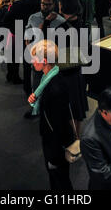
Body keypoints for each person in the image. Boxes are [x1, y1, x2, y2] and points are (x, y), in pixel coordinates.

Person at [28, 40, 74, 190]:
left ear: (45, 61)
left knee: (60, 179)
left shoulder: (54, 88)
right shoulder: (50, 78)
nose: (32, 62)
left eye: (35, 58)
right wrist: (36, 98)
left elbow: (58, 125)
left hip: (55, 145)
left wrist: (54, 154)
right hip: (53, 140)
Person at [23, 0, 66, 119]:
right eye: (43, 4)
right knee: (36, 83)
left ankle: (49, 109)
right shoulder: (33, 18)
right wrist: (30, 51)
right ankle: (35, 108)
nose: (45, 7)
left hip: (53, 61)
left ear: (54, 5)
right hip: (38, 59)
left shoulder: (60, 20)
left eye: (48, 4)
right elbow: (27, 37)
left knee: (51, 85)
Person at [55, 0, 90, 135]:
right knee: (77, 108)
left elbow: (55, 53)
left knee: (68, 108)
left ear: (62, 5)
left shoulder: (60, 28)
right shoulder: (81, 23)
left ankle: (73, 139)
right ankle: (77, 137)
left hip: (65, 73)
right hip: (78, 71)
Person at [3, 0, 41, 93]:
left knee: (26, 64)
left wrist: (15, 30)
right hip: (39, 36)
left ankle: (27, 88)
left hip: (22, 36)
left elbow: (6, 20)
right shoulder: (41, 4)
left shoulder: (18, 5)